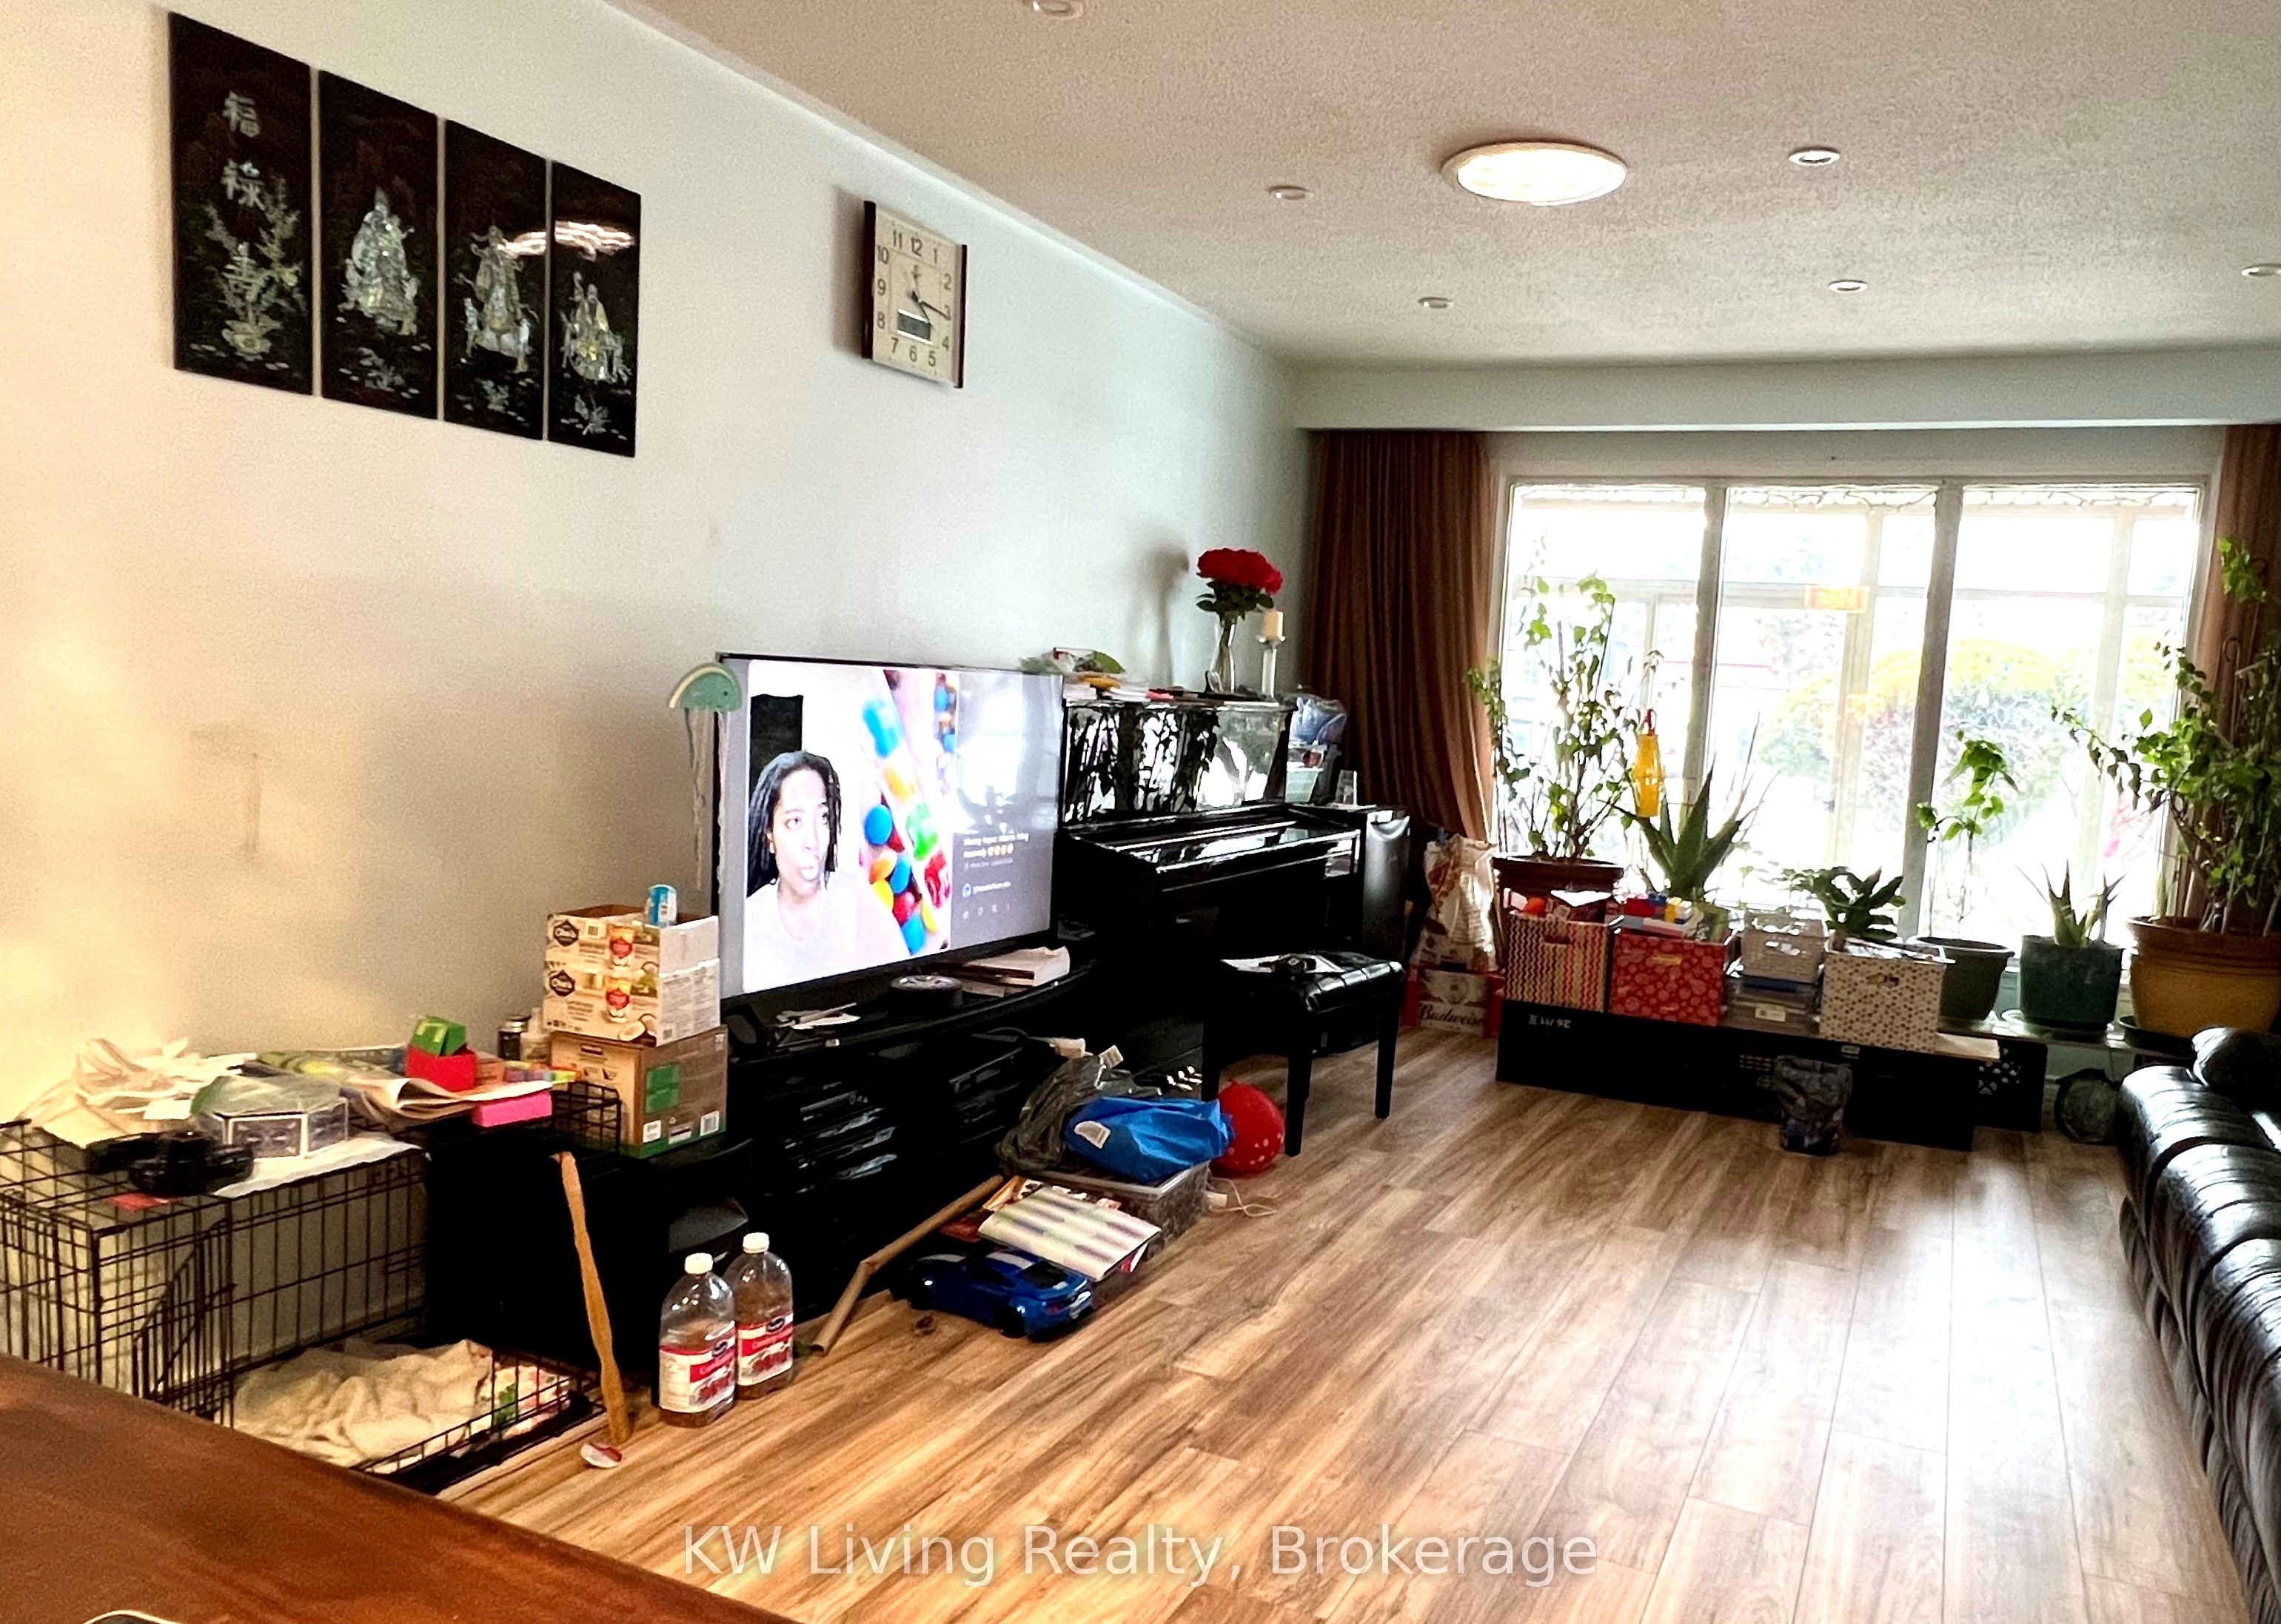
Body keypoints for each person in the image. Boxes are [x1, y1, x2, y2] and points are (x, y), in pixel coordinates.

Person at [745, 750, 908, 987]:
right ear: (769, 835)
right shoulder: (748, 923)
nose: (812, 841)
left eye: (823, 818)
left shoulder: (858, 902)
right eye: (795, 821)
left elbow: (904, 986)